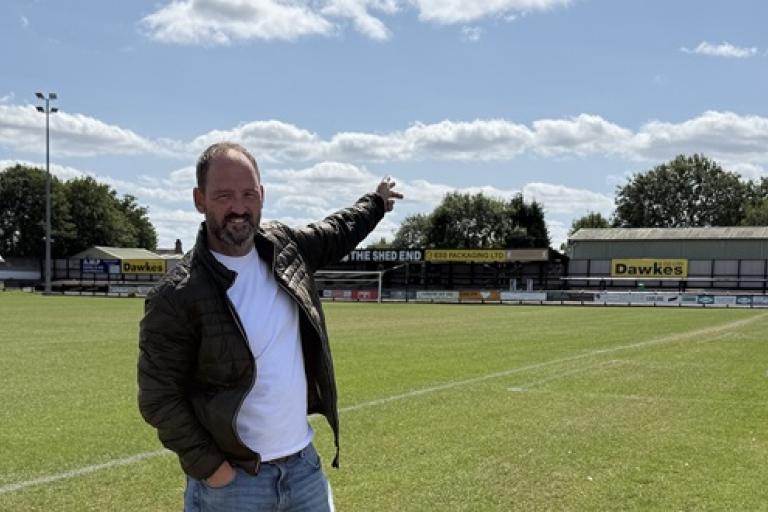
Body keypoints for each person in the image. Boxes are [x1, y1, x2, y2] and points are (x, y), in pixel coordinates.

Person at [138, 141, 402, 511]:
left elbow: (336, 230)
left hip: (303, 469)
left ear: (261, 195)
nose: (239, 207)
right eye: (224, 196)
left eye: (248, 194)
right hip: (233, 484)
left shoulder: (285, 247)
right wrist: (214, 471)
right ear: (200, 200)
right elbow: (159, 397)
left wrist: (375, 203)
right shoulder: (177, 294)